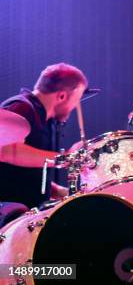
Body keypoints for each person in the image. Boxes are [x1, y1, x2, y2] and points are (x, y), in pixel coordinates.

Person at [0, 63, 87, 213]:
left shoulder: (47, 122)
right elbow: (5, 151)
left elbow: (21, 173)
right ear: (62, 96)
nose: (74, 106)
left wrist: (56, 191)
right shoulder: (21, 107)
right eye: (76, 100)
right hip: (8, 217)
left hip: (27, 214)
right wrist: (67, 157)